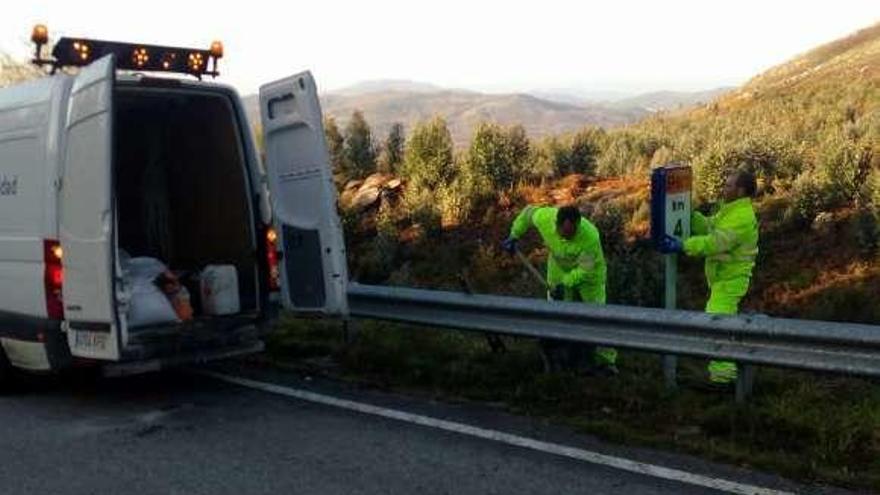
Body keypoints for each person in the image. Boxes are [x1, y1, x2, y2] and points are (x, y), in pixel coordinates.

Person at [663, 170, 759, 386]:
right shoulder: (732, 211)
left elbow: (714, 243)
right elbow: (709, 226)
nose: (723, 188)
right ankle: (725, 376)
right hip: (723, 280)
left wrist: (683, 245)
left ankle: (723, 379)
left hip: (730, 281)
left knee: (717, 325)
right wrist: (690, 215)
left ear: (740, 191)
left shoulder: (741, 217)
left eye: (728, 186)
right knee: (721, 325)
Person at [502, 205, 616, 374]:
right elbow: (527, 213)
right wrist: (514, 235)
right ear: (557, 224)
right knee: (558, 312)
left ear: (578, 224)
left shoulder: (590, 235)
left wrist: (565, 284)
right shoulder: (546, 218)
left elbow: (585, 269)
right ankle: (563, 357)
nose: (567, 235)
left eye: (571, 233)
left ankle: (605, 361)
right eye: (564, 232)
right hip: (559, 267)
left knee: (597, 314)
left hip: (590, 275)